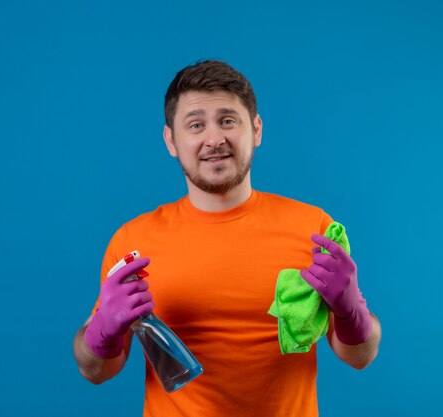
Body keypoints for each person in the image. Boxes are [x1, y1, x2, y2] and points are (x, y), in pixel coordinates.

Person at [73, 60, 382, 416]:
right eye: (195, 125)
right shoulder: (133, 241)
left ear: (257, 130)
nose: (214, 139)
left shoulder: (314, 228)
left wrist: (350, 311)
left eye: (228, 121)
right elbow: (95, 370)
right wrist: (101, 333)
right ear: (171, 141)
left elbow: (361, 357)